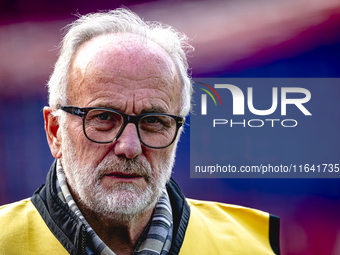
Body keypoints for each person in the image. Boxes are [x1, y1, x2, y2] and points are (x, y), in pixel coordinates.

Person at [0, 8, 279, 255]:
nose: (129, 147)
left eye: (154, 121)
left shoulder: (251, 246)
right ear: (55, 131)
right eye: (105, 117)